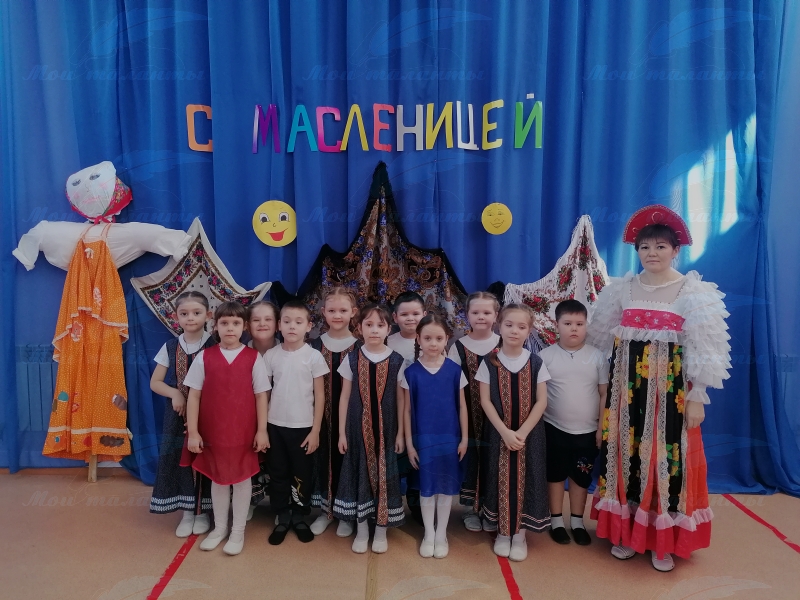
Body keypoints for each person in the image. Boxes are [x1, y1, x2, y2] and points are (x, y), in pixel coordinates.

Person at [587, 205, 731, 572]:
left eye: (660, 246)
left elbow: (706, 350)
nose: (652, 253)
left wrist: (697, 398)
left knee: (664, 458)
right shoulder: (621, 289)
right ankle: (626, 533)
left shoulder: (693, 292)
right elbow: (601, 344)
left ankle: (662, 540)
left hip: (670, 396)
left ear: (675, 250)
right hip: (626, 393)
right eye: (645, 247)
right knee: (627, 454)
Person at [181, 301, 271, 556]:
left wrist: (262, 430)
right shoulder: (204, 357)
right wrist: (194, 432)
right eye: (224, 323)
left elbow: (261, 396)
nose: (230, 328)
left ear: (244, 327)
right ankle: (220, 528)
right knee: (218, 479)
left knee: (242, 480)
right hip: (213, 432)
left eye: (235, 323)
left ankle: (238, 531)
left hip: (243, 433)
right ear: (215, 326)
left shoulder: (253, 358)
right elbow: (194, 396)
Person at [476, 303, 551, 562]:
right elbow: (485, 400)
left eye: (521, 327)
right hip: (498, 434)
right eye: (509, 325)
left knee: (527, 479)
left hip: (530, 436)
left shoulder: (536, 362)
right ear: (499, 326)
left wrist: (522, 432)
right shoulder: (489, 362)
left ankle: (519, 535)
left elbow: (542, 401)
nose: (514, 331)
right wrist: (505, 432)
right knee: (500, 479)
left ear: (529, 331)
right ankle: (502, 532)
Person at [335, 304, 406, 554]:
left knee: (385, 476)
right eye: (369, 324)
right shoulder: (352, 359)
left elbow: (401, 400)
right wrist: (342, 433)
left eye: (380, 325)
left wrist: (400, 433)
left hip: (387, 432)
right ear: (359, 328)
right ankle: (362, 527)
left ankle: (381, 529)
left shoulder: (397, 361)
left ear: (389, 329)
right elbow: (344, 397)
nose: (374, 330)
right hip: (357, 431)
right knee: (359, 474)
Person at [538, 299, 608, 546]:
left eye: (579, 323)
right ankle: (556, 521)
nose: (574, 328)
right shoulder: (545, 357)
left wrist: (600, 428)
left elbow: (603, 394)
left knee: (581, 476)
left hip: (587, 432)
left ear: (587, 325)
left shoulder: (597, 357)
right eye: (567, 323)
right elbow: (539, 396)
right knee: (555, 475)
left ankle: (577, 522)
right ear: (556, 324)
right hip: (553, 428)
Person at [149, 291, 216, 537]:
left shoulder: (215, 345)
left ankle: (204, 512)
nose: (190, 318)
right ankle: (188, 512)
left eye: (196, 313)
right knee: (181, 459)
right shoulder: (170, 346)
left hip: (209, 416)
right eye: (184, 313)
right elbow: (155, 382)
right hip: (177, 417)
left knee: (206, 460)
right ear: (176, 317)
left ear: (208, 315)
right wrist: (175, 393)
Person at [264, 300, 329, 545]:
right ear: (279, 325)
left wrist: (315, 431)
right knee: (278, 472)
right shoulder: (271, 355)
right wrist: (262, 428)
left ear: (309, 326)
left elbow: (320, 395)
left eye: (298, 322)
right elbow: (264, 393)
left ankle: (300, 516)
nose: (292, 326)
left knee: (302, 473)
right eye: (287, 321)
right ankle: (282, 517)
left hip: (304, 427)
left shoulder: (313, 357)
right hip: (275, 426)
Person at [403, 314, 469, 558]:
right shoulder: (411, 373)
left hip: (450, 439)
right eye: (427, 338)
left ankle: (441, 533)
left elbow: (462, 407)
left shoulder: (454, 371)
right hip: (423, 441)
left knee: (446, 488)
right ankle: (429, 533)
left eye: (439, 338)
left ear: (447, 339)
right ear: (418, 339)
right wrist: (410, 445)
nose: (433, 343)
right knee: (427, 488)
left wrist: (464, 438)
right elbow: (406, 411)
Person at [447, 291, 501, 532]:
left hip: (498, 415)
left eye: (486, 312)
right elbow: (450, 384)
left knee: (494, 458)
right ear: (466, 315)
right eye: (475, 312)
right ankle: (469, 509)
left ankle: (491, 509)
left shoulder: (504, 344)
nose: (481, 317)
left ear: (496, 316)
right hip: (467, 413)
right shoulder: (458, 347)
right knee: (470, 458)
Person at [309, 288, 360, 536]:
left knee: (348, 461)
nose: (337, 315)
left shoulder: (361, 346)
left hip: (352, 417)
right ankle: (325, 511)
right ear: (323, 313)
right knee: (323, 461)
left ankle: (346, 513)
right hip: (321, 415)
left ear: (353, 312)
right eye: (331, 310)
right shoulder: (314, 346)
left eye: (343, 310)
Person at [387, 291, 427, 524]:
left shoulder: (430, 340)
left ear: (424, 314)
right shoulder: (387, 341)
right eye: (404, 314)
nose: (410, 318)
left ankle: (417, 505)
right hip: (392, 409)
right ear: (395, 317)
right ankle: (391, 506)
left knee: (418, 459)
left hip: (421, 412)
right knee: (396, 456)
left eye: (415, 314)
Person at [245, 300, 280, 520]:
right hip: (249, 419)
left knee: (279, 462)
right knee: (250, 458)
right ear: (247, 325)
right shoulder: (239, 351)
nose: (262, 324)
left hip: (281, 419)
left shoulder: (289, 349)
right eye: (256, 320)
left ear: (277, 324)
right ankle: (250, 501)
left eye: (268, 319)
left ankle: (281, 505)